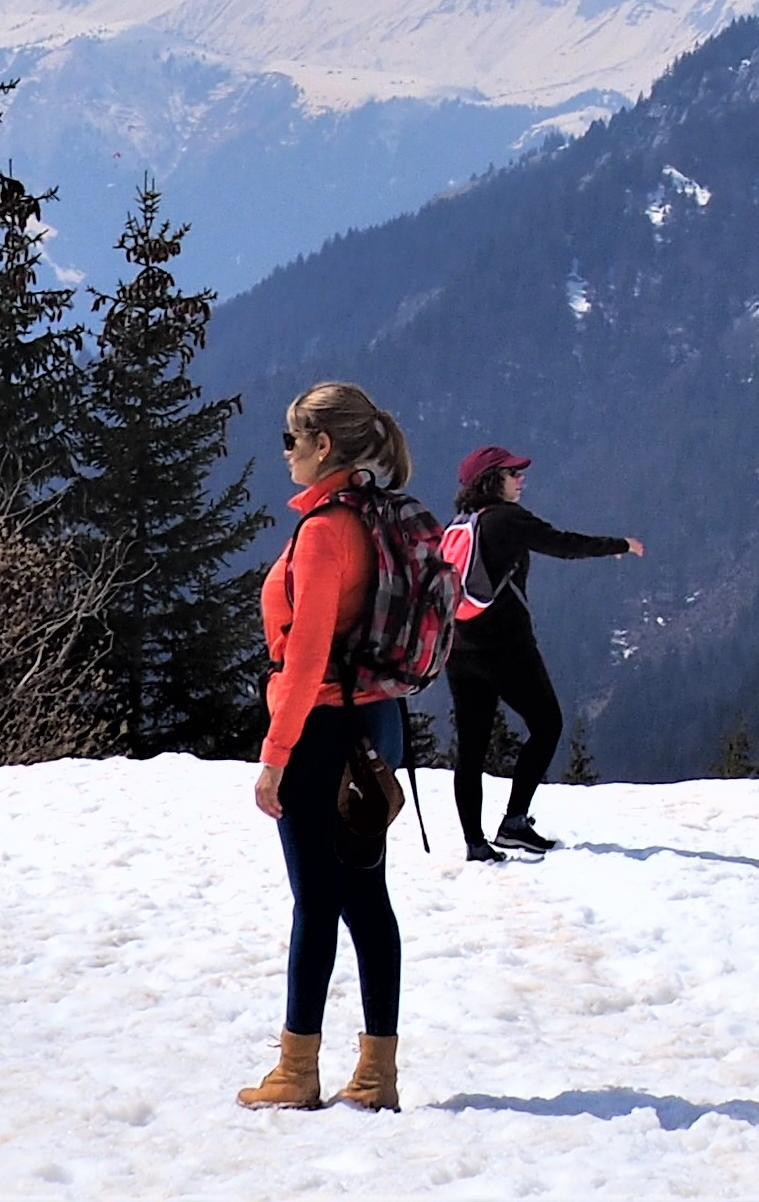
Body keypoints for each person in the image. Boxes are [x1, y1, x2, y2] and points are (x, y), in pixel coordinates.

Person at [242, 380, 415, 1113]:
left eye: (291, 439)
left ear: (321, 447)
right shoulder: (375, 516)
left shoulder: (322, 532)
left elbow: (306, 651)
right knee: (366, 899)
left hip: (318, 730)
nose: (283, 453)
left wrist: (275, 756)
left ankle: (296, 1069)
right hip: (373, 726)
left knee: (315, 902)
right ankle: (377, 1074)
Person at [445, 443, 643, 862]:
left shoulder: (462, 523)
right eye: (513, 473)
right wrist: (619, 544)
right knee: (547, 724)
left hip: (459, 650)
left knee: (472, 748)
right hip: (507, 647)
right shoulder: (507, 519)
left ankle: (475, 844)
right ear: (492, 479)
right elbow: (564, 544)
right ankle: (514, 822)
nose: (521, 479)